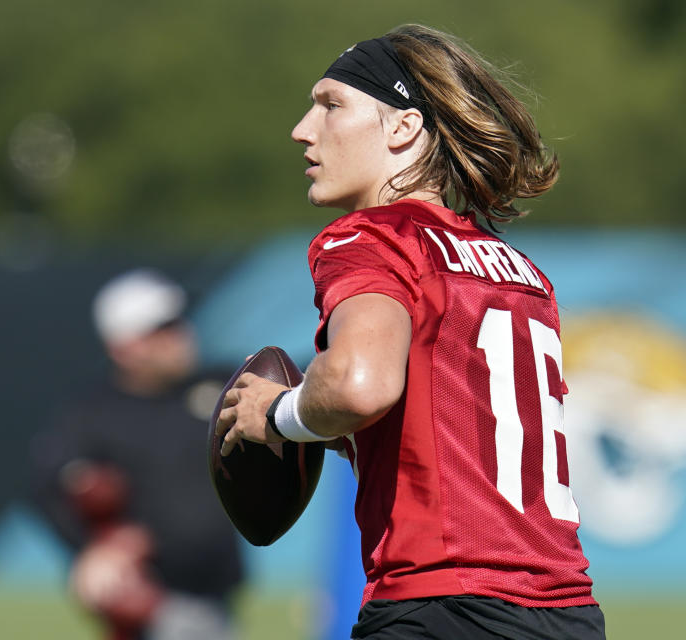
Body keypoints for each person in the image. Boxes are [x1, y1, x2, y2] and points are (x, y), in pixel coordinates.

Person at [217, 24, 605, 639]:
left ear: (402, 128)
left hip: (441, 604)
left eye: (330, 106)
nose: (303, 129)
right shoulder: (523, 272)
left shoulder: (371, 235)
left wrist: (279, 415)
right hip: (566, 614)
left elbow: (359, 386)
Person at [32, 269, 244, 640]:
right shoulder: (94, 412)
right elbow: (49, 483)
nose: (179, 335)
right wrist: (93, 550)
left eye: (179, 322)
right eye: (161, 328)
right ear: (123, 346)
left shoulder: (221, 384)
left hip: (218, 590)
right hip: (154, 598)